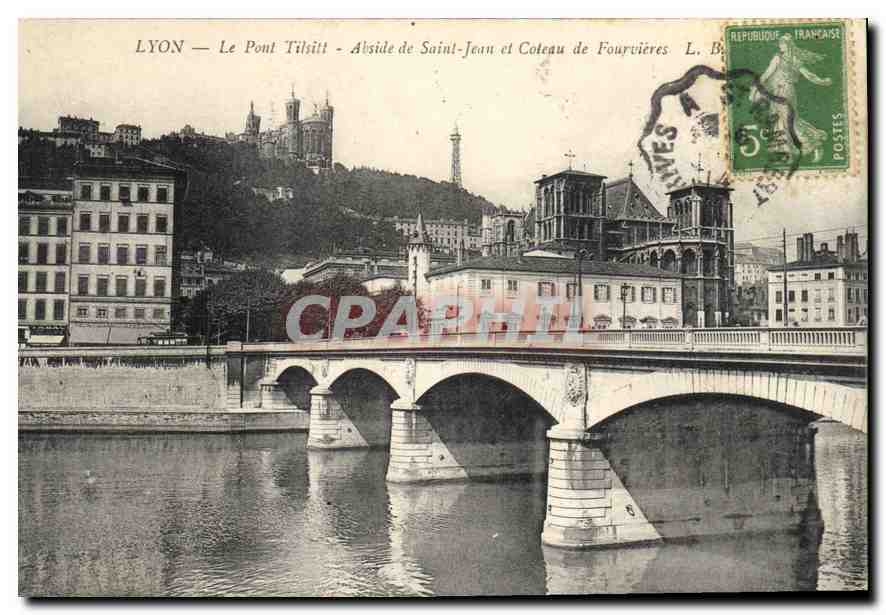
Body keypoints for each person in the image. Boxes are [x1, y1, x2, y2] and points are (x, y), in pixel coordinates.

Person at [750, 33, 833, 163]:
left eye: (782, 44)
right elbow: (809, 75)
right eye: (780, 44)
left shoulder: (780, 58)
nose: (780, 46)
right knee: (783, 120)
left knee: (788, 121)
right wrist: (822, 81)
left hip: (783, 92)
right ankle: (787, 152)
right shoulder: (793, 60)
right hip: (783, 92)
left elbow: (767, 74)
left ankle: (813, 144)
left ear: (788, 45)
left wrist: (756, 88)